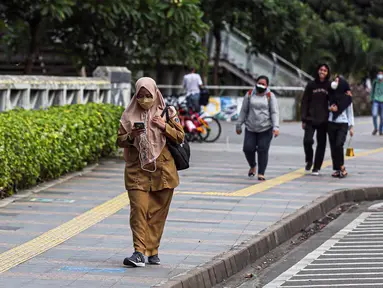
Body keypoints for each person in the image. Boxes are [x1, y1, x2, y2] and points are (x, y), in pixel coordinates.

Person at [117, 77, 185, 267]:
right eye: (141, 96)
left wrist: (164, 126)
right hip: (137, 169)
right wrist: (132, 136)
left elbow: (180, 136)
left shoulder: (167, 111)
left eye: (148, 96)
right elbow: (119, 140)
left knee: (157, 213)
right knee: (139, 210)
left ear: (155, 93)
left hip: (163, 170)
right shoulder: (129, 114)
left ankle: (153, 250)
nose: (145, 100)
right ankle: (139, 252)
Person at [236, 75, 280, 181]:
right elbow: (244, 110)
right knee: (247, 148)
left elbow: (274, 112)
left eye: (263, 84)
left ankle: (261, 173)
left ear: (267, 85)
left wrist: (276, 126)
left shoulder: (270, 96)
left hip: (266, 128)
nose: (261, 85)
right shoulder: (250, 94)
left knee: (263, 149)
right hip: (250, 127)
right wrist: (239, 124)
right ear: (256, 83)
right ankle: (252, 165)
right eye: (259, 83)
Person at [301, 64, 331, 176]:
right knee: (307, 141)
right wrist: (303, 118)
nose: (322, 72)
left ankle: (317, 167)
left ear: (327, 73)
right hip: (310, 118)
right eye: (321, 69)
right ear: (318, 71)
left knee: (321, 144)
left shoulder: (329, 86)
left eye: (325, 70)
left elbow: (336, 98)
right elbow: (304, 101)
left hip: (324, 120)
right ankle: (309, 160)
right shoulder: (311, 85)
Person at [327, 75, 354, 178]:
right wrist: (330, 109)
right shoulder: (330, 95)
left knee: (339, 144)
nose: (335, 83)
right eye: (335, 80)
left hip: (343, 123)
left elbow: (350, 113)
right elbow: (326, 107)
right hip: (331, 122)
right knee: (333, 147)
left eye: (338, 81)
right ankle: (337, 169)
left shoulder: (347, 98)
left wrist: (351, 127)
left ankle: (342, 167)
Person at [371, 69, 383, 136]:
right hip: (375, 100)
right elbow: (372, 91)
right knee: (374, 114)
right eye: (379, 74)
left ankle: (381, 130)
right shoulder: (375, 82)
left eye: (381, 74)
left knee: (382, 117)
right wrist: (371, 98)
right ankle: (375, 128)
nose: (380, 76)